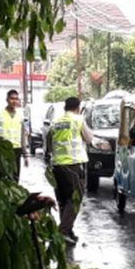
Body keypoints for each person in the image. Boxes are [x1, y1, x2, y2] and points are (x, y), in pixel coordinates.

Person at [46, 96, 94, 244]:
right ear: (78, 107)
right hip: (73, 164)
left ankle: (68, 230)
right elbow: (89, 138)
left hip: (57, 166)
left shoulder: (56, 122)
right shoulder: (78, 120)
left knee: (63, 199)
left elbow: (48, 142)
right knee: (75, 199)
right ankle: (63, 232)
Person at [0, 89, 28, 180]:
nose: (14, 101)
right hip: (2, 149)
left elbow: (22, 135)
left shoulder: (20, 115)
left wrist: (25, 155)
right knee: (1, 177)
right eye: (12, 98)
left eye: (16, 99)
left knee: (15, 177)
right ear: (7, 99)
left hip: (16, 150)